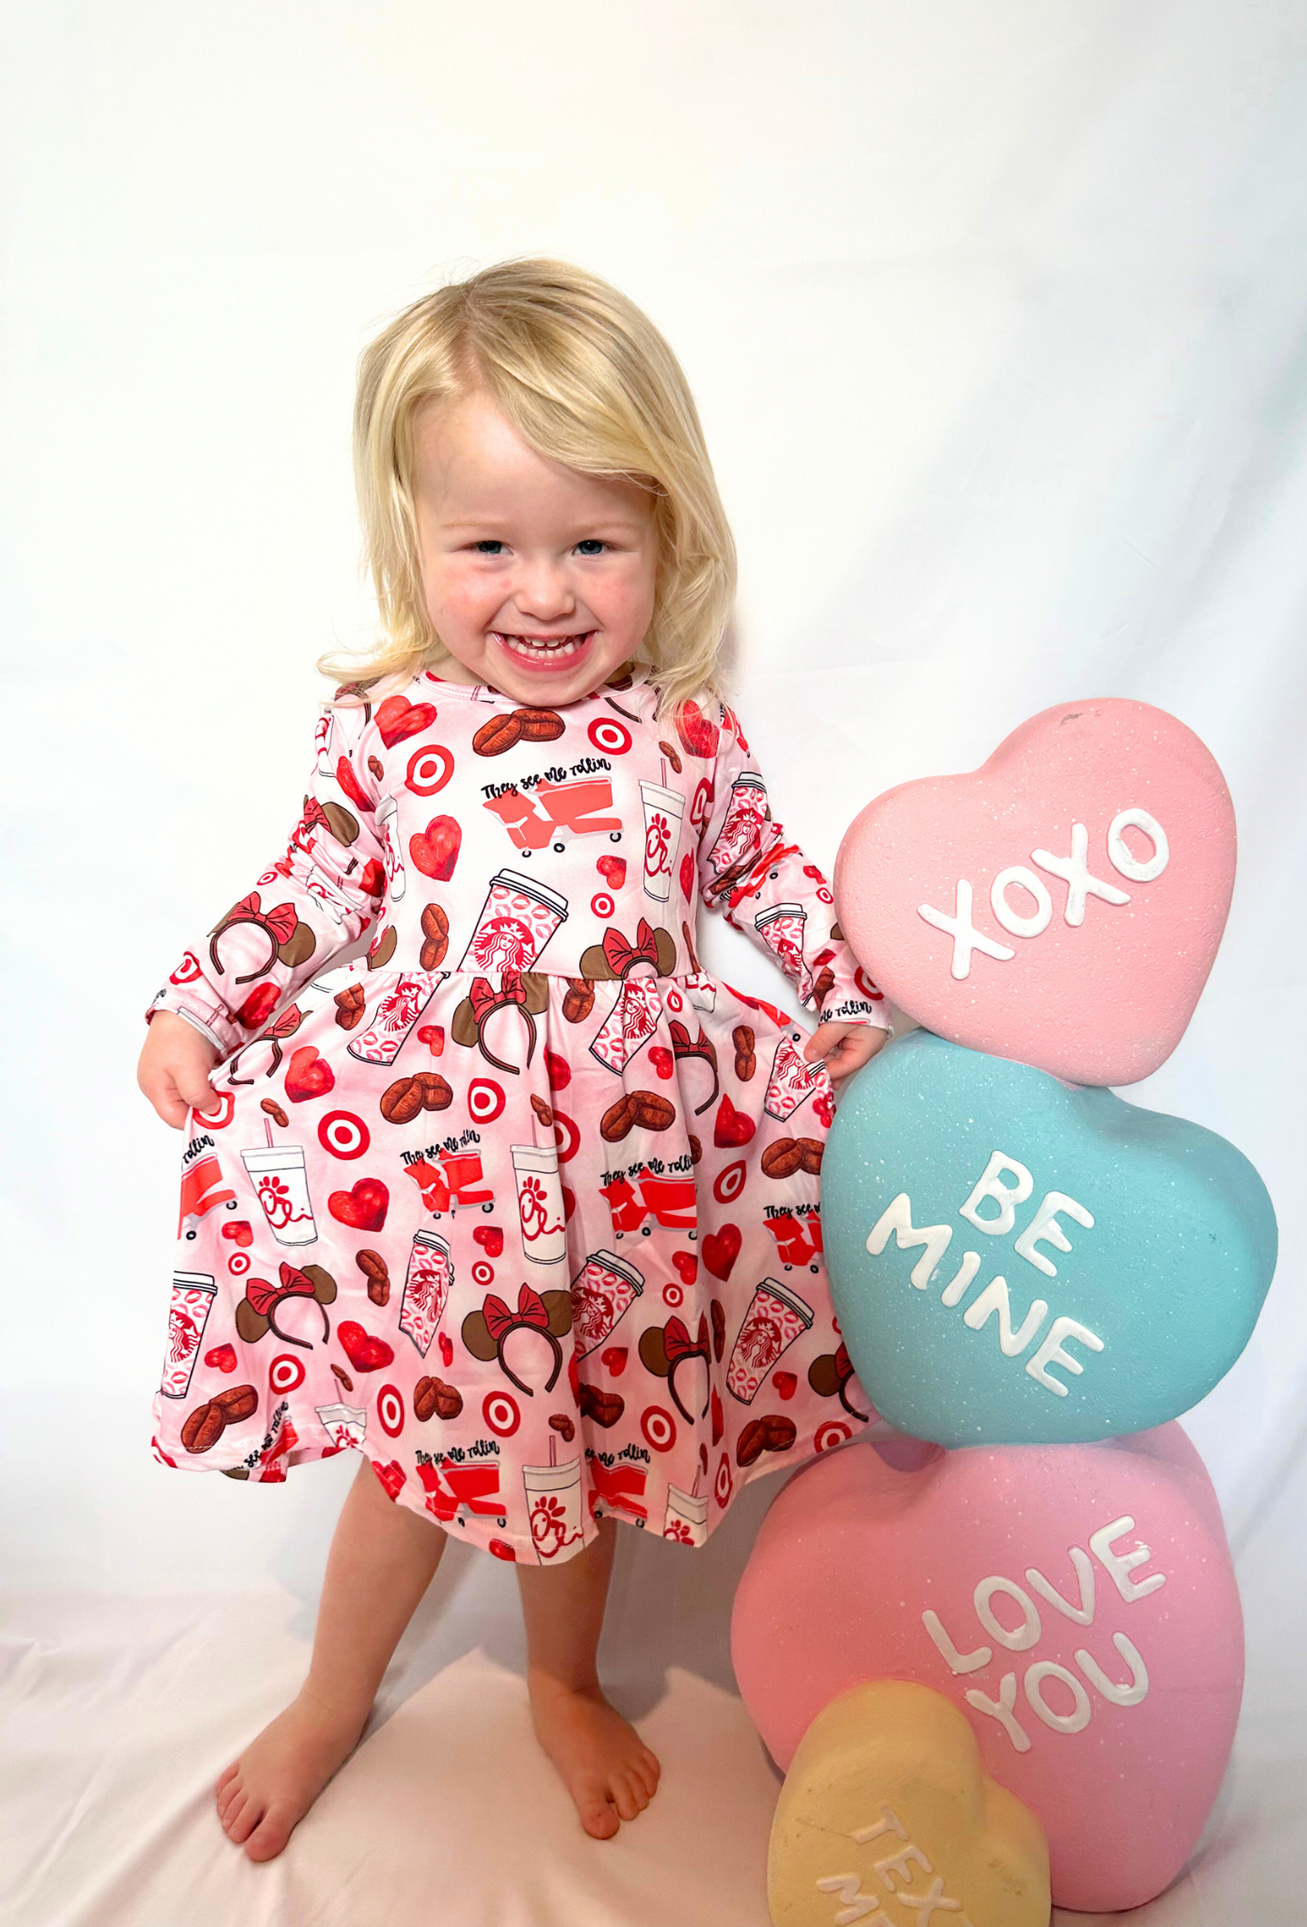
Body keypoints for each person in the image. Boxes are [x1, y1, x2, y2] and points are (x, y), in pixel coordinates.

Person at [137, 258, 891, 1863]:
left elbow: (764, 876)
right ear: (412, 538)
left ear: (666, 537)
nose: (543, 595)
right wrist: (200, 1003)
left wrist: (836, 989)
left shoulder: (685, 732)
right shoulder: (388, 729)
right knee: (417, 1463)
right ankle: (337, 1690)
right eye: (490, 546)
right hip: (450, 1191)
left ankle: (562, 1679)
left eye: (593, 546)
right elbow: (318, 887)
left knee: (587, 1448)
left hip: (626, 1189)